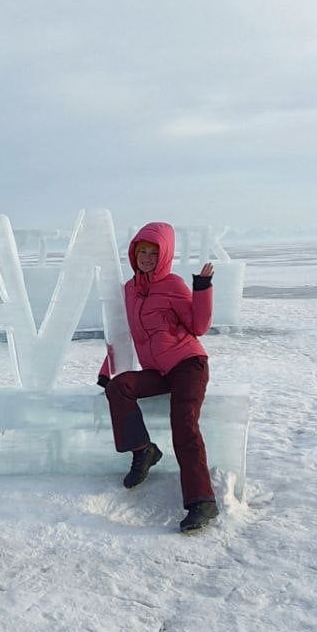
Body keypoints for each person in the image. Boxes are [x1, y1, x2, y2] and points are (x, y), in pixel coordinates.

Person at [97, 222, 219, 534]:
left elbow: (199, 326)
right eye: (142, 252)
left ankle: (201, 501)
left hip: (188, 364)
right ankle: (143, 450)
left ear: (163, 254)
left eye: (154, 252)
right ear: (134, 254)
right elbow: (123, 333)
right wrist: (106, 368)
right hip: (158, 370)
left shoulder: (173, 284)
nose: (147, 258)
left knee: (184, 423)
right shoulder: (130, 290)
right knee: (119, 387)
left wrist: (202, 288)